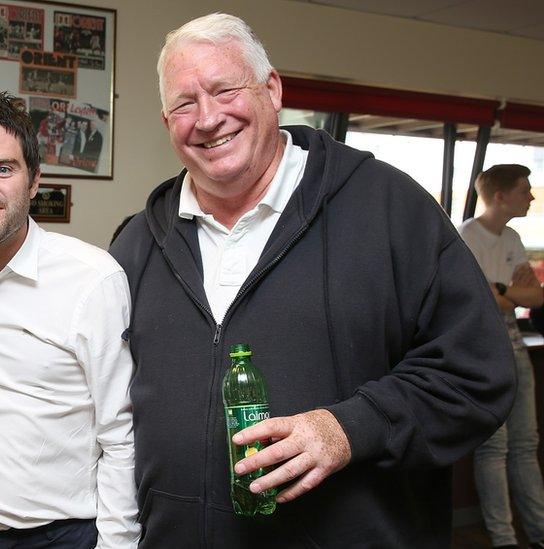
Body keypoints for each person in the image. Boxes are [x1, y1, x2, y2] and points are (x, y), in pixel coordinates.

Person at [108, 12, 515, 548]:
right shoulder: (136, 245)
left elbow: (476, 374)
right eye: (185, 103)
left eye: (225, 90)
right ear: (167, 123)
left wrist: (348, 429)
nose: (207, 118)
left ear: (271, 90)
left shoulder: (388, 209)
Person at [0, 90, 140, 548]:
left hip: (61, 536)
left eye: (3, 168)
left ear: (35, 180)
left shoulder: (92, 279)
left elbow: (121, 435)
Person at [459, 164, 544, 549]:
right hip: (482, 358)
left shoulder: (511, 237)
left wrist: (500, 292)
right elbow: (476, 302)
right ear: (499, 196)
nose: (531, 197)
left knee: (526, 445)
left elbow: (536, 298)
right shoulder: (466, 237)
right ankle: (504, 539)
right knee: (493, 449)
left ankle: (538, 533)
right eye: (525, 190)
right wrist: (507, 293)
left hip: (517, 352)